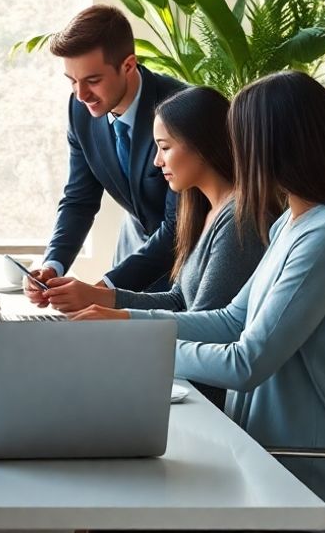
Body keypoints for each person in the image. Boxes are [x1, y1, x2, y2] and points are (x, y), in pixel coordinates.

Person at [74, 71, 325, 533]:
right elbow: (230, 319)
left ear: (273, 145)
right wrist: (125, 322)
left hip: (298, 480)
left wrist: (140, 346)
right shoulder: (292, 227)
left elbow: (246, 362)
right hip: (256, 457)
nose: (234, 153)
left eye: (242, 139)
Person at [64, 86, 268, 408]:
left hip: (200, 398)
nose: (157, 161)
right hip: (179, 379)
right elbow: (179, 301)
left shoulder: (239, 220)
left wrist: (122, 326)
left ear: (202, 146)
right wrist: (102, 298)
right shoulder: (203, 210)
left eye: (165, 147)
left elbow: (205, 325)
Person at [24, 4, 186, 312]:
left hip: (186, 271)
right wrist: (53, 266)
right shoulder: (79, 111)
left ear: (128, 65)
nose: (81, 94)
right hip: (132, 255)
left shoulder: (179, 108)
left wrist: (101, 291)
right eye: (71, 81)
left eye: (92, 80)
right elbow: (79, 199)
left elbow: (177, 225)